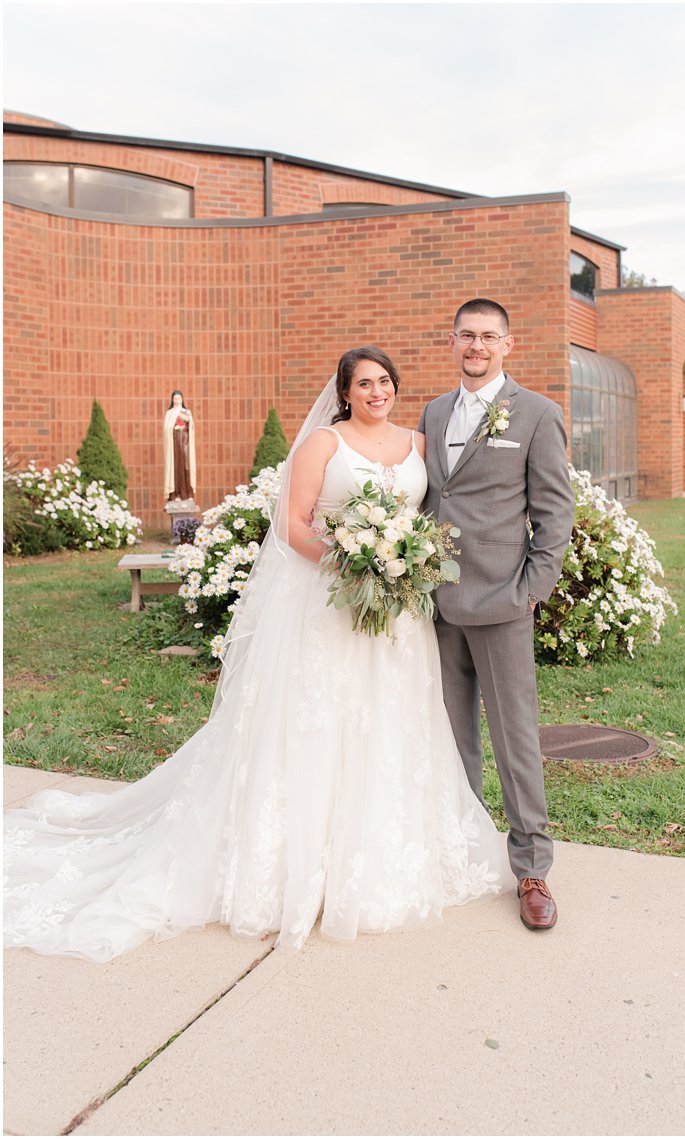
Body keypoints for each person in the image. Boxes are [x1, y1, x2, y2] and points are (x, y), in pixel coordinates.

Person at [3, 347, 508, 962]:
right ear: (344, 393)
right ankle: (292, 864)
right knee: (315, 727)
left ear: (396, 389)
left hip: (397, 616)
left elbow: (431, 516)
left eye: (384, 382)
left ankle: (376, 858)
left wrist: (403, 565)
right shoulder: (324, 444)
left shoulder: (420, 445)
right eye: (363, 384)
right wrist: (354, 561)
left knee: (389, 724)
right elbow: (294, 525)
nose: (376, 392)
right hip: (330, 605)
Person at [418, 300, 574, 931]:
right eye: (466, 336)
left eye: (488, 337)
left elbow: (555, 509)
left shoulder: (536, 413)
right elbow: (433, 494)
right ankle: (465, 852)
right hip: (435, 600)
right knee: (452, 739)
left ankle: (531, 870)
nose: (475, 347)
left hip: (503, 599)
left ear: (508, 345)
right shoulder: (432, 412)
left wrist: (532, 587)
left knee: (514, 739)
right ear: (452, 342)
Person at [162, 390, 196, 504]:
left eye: (179, 398)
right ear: (172, 400)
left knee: (186, 466)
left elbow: (191, 425)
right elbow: (167, 428)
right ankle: (175, 493)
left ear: (182, 399)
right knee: (175, 468)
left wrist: (185, 421)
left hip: (185, 441)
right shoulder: (170, 413)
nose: (177, 400)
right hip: (175, 443)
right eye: (175, 398)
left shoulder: (186, 412)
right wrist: (174, 428)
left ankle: (187, 493)